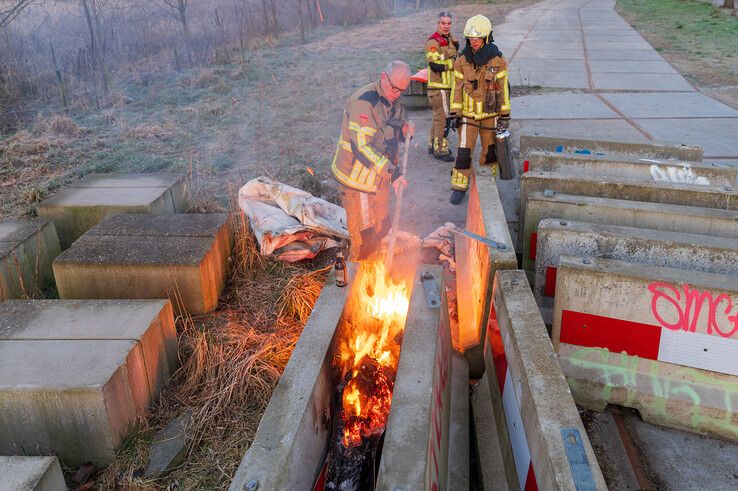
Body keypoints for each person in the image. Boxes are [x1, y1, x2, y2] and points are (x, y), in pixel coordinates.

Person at [331, 61, 415, 260]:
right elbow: (361, 148)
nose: (397, 94)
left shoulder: (394, 98)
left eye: (402, 91)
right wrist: (392, 173)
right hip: (356, 182)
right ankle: (357, 281)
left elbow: (390, 128)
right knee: (364, 239)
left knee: (382, 227)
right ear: (383, 77)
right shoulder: (364, 103)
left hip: (378, 178)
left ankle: (374, 270)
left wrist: (402, 130)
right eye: (395, 88)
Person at [448, 14, 511, 205]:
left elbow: (504, 90)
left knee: (490, 153)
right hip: (468, 117)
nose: (474, 42)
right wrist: (454, 114)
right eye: (471, 39)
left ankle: (487, 186)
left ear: (486, 38)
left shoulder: (498, 60)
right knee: (463, 153)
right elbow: (456, 89)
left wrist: (505, 115)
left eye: (478, 38)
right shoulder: (461, 61)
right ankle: (459, 187)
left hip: (490, 117)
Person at [425, 11, 459, 162]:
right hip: (438, 88)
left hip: (445, 87)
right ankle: (441, 150)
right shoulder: (433, 42)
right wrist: (452, 64)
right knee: (443, 119)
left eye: (448, 23)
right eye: (443, 23)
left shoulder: (450, 39)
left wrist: (447, 55)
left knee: (438, 118)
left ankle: (433, 145)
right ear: (438, 23)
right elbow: (434, 65)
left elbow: (453, 54)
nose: (446, 26)